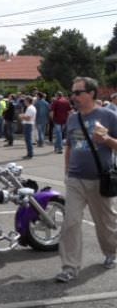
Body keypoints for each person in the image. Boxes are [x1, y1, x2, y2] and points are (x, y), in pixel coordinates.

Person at [55, 76, 117, 283]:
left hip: (100, 179)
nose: (73, 97)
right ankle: (70, 267)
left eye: (77, 93)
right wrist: (66, 172)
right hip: (75, 179)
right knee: (70, 222)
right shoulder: (73, 118)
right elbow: (70, 146)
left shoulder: (109, 116)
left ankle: (111, 252)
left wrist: (107, 140)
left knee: (105, 224)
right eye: (72, 92)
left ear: (91, 93)